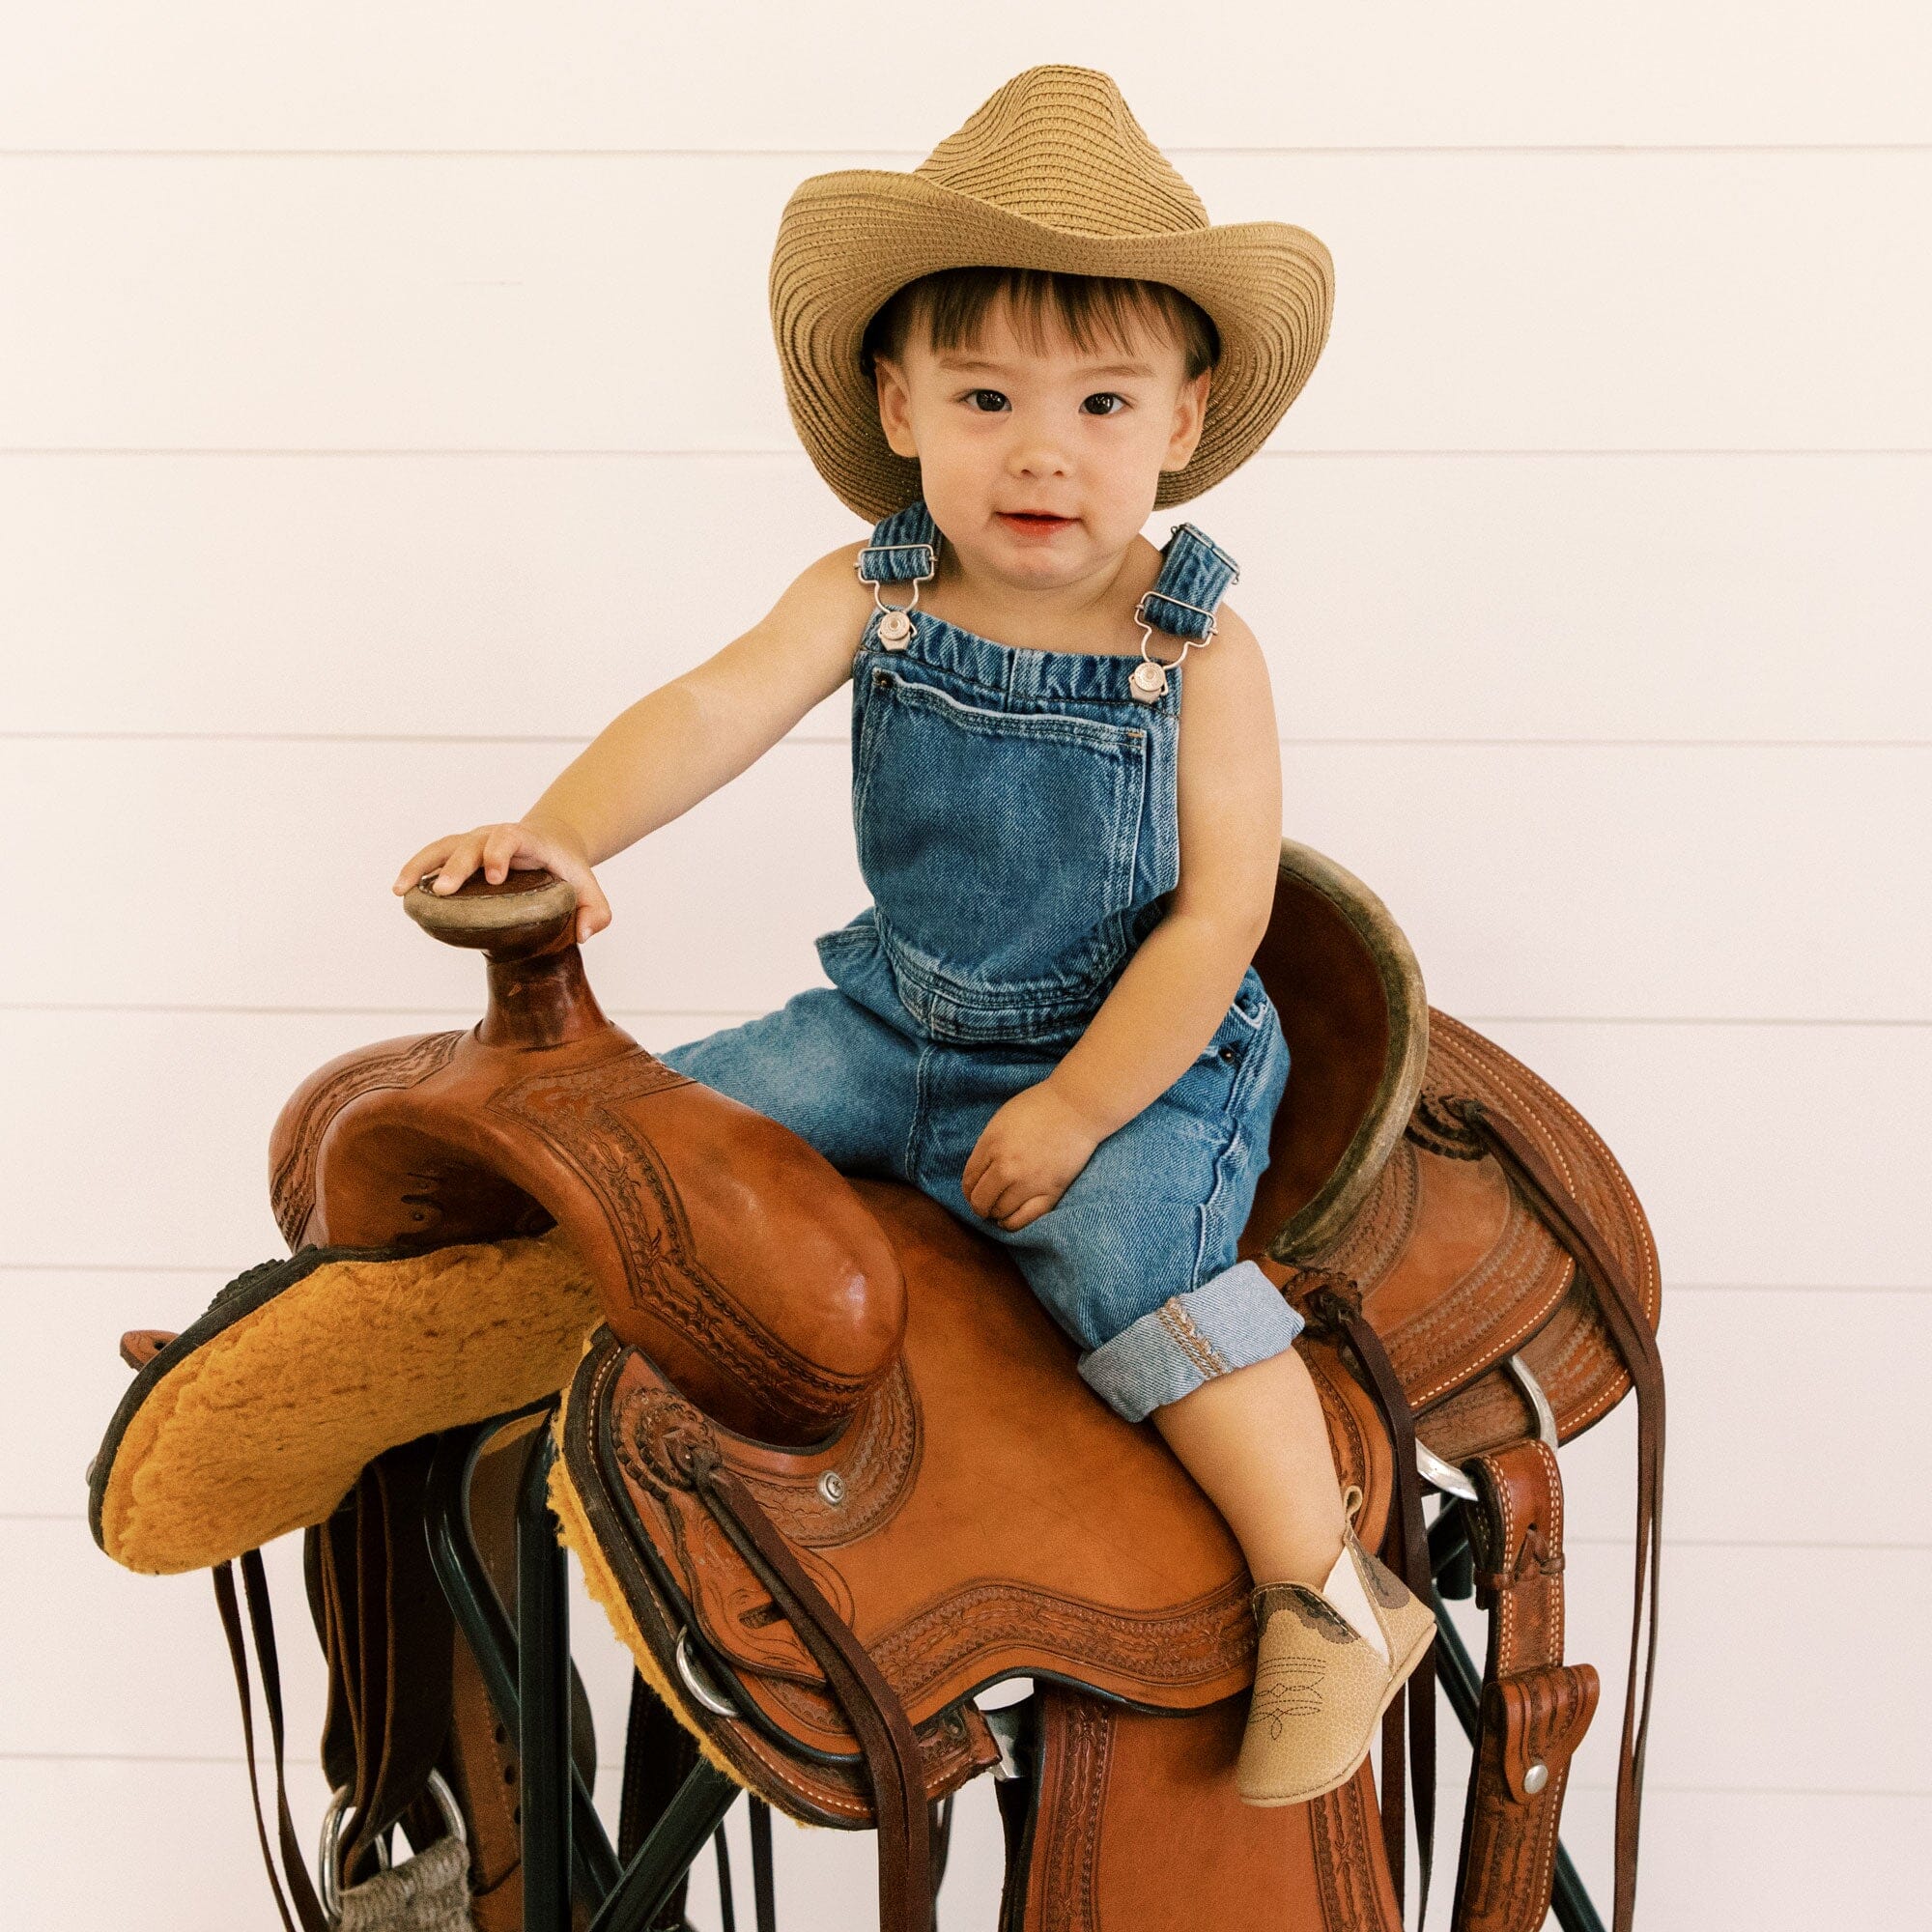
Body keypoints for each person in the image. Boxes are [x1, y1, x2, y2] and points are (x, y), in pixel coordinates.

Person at [392, 64, 1432, 1805]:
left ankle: (1323, 1590)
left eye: (1103, 402)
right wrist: (565, 829)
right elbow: (713, 708)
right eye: (986, 396)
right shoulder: (868, 593)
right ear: (901, 405)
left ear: (1182, 423)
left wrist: (1081, 1108)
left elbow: (1218, 920)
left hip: (1136, 1047)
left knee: (1134, 1267)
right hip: (902, 1020)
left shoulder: (1198, 650)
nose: (1042, 449)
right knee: (675, 1133)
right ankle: (472, 1325)